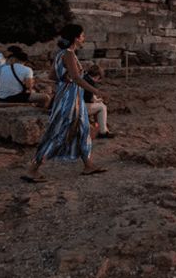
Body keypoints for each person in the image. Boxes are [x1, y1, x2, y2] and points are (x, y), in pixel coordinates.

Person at [23, 24, 107, 183]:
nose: (84, 38)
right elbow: (76, 78)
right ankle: (32, 169)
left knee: (83, 130)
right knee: (59, 132)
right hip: (69, 99)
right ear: (76, 38)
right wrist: (97, 92)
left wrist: (65, 79)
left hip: (72, 97)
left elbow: (52, 76)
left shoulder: (62, 54)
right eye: (82, 35)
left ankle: (88, 165)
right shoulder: (68, 54)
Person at [84, 64, 113, 139]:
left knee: (99, 104)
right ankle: (103, 131)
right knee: (102, 107)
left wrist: (96, 100)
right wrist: (97, 100)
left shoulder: (84, 77)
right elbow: (90, 99)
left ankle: (99, 126)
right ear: (97, 76)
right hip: (81, 106)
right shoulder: (90, 81)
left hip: (78, 103)